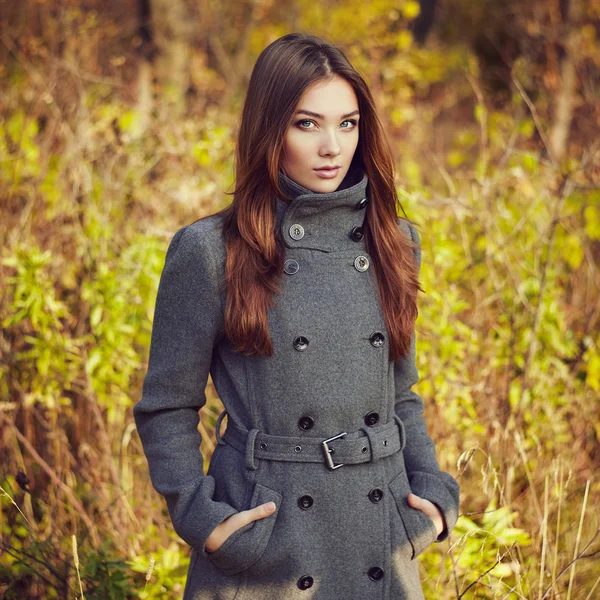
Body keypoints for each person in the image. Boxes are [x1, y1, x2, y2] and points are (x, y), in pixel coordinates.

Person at [133, 32, 460, 600]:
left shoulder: (394, 240)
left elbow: (400, 394)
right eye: (307, 124)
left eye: (348, 123)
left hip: (379, 540)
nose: (332, 146)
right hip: (268, 548)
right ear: (270, 130)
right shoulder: (212, 250)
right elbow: (166, 405)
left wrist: (432, 496)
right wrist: (204, 522)